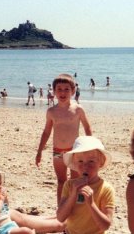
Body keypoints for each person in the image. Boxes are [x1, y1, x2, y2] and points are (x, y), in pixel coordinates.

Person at [23, 136, 115, 234]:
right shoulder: (69, 185)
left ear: (101, 162)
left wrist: (91, 204)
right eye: (80, 161)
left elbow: (105, 225)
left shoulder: (105, 188)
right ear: (74, 163)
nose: (85, 166)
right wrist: (73, 195)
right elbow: (60, 217)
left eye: (91, 161)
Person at [36, 74, 92, 204]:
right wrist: (39, 151)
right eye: (59, 89)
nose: (63, 92)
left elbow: (88, 128)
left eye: (66, 89)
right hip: (58, 151)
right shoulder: (51, 112)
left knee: (76, 181)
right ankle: (60, 207)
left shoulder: (78, 109)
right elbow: (46, 132)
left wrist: (91, 148)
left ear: (73, 91)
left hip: (75, 151)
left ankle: (77, 206)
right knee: (61, 181)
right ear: (54, 92)